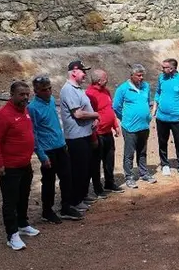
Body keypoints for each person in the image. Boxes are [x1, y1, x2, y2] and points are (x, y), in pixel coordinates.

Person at [0, 81, 40, 250]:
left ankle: (22, 224)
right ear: (12, 95)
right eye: (21, 94)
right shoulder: (2, 115)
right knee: (10, 201)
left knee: (23, 195)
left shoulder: (25, 111)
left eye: (27, 94)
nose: (25, 97)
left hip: (25, 164)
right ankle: (12, 235)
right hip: (9, 167)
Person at [28, 75, 80, 223]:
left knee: (66, 177)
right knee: (49, 181)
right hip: (47, 150)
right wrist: (41, 155)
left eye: (49, 88)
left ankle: (66, 206)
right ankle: (47, 211)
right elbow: (33, 133)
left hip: (60, 146)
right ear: (36, 91)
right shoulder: (32, 108)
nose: (48, 92)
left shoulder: (51, 100)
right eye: (44, 90)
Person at [60, 60, 100, 214]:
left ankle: (82, 196)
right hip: (75, 137)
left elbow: (84, 110)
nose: (85, 74)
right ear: (74, 72)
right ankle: (75, 201)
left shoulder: (77, 88)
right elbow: (78, 114)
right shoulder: (68, 90)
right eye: (83, 71)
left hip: (84, 134)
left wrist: (92, 119)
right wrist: (95, 115)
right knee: (78, 170)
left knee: (85, 168)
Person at [113, 64, 157, 187]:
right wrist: (124, 118)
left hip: (144, 126)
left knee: (142, 151)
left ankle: (144, 173)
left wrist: (148, 116)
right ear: (132, 75)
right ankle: (129, 176)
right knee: (129, 153)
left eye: (142, 75)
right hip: (130, 127)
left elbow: (147, 102)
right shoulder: (123, 88)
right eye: (139, 75)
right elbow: (116, 106)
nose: (141, 77)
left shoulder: (146, 86)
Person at [86, 69, 124, 195]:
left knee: (109, 159)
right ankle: (98, 188)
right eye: (105, 78)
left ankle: (109, 183)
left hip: (108, 132)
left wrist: (115, 125)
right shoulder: (90, 94)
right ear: (99, 81)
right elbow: (90, 115)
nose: (107, 80)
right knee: (96, 162)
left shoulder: (106, 91)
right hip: (98, 133)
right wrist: (93, 136)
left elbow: (110, 109)